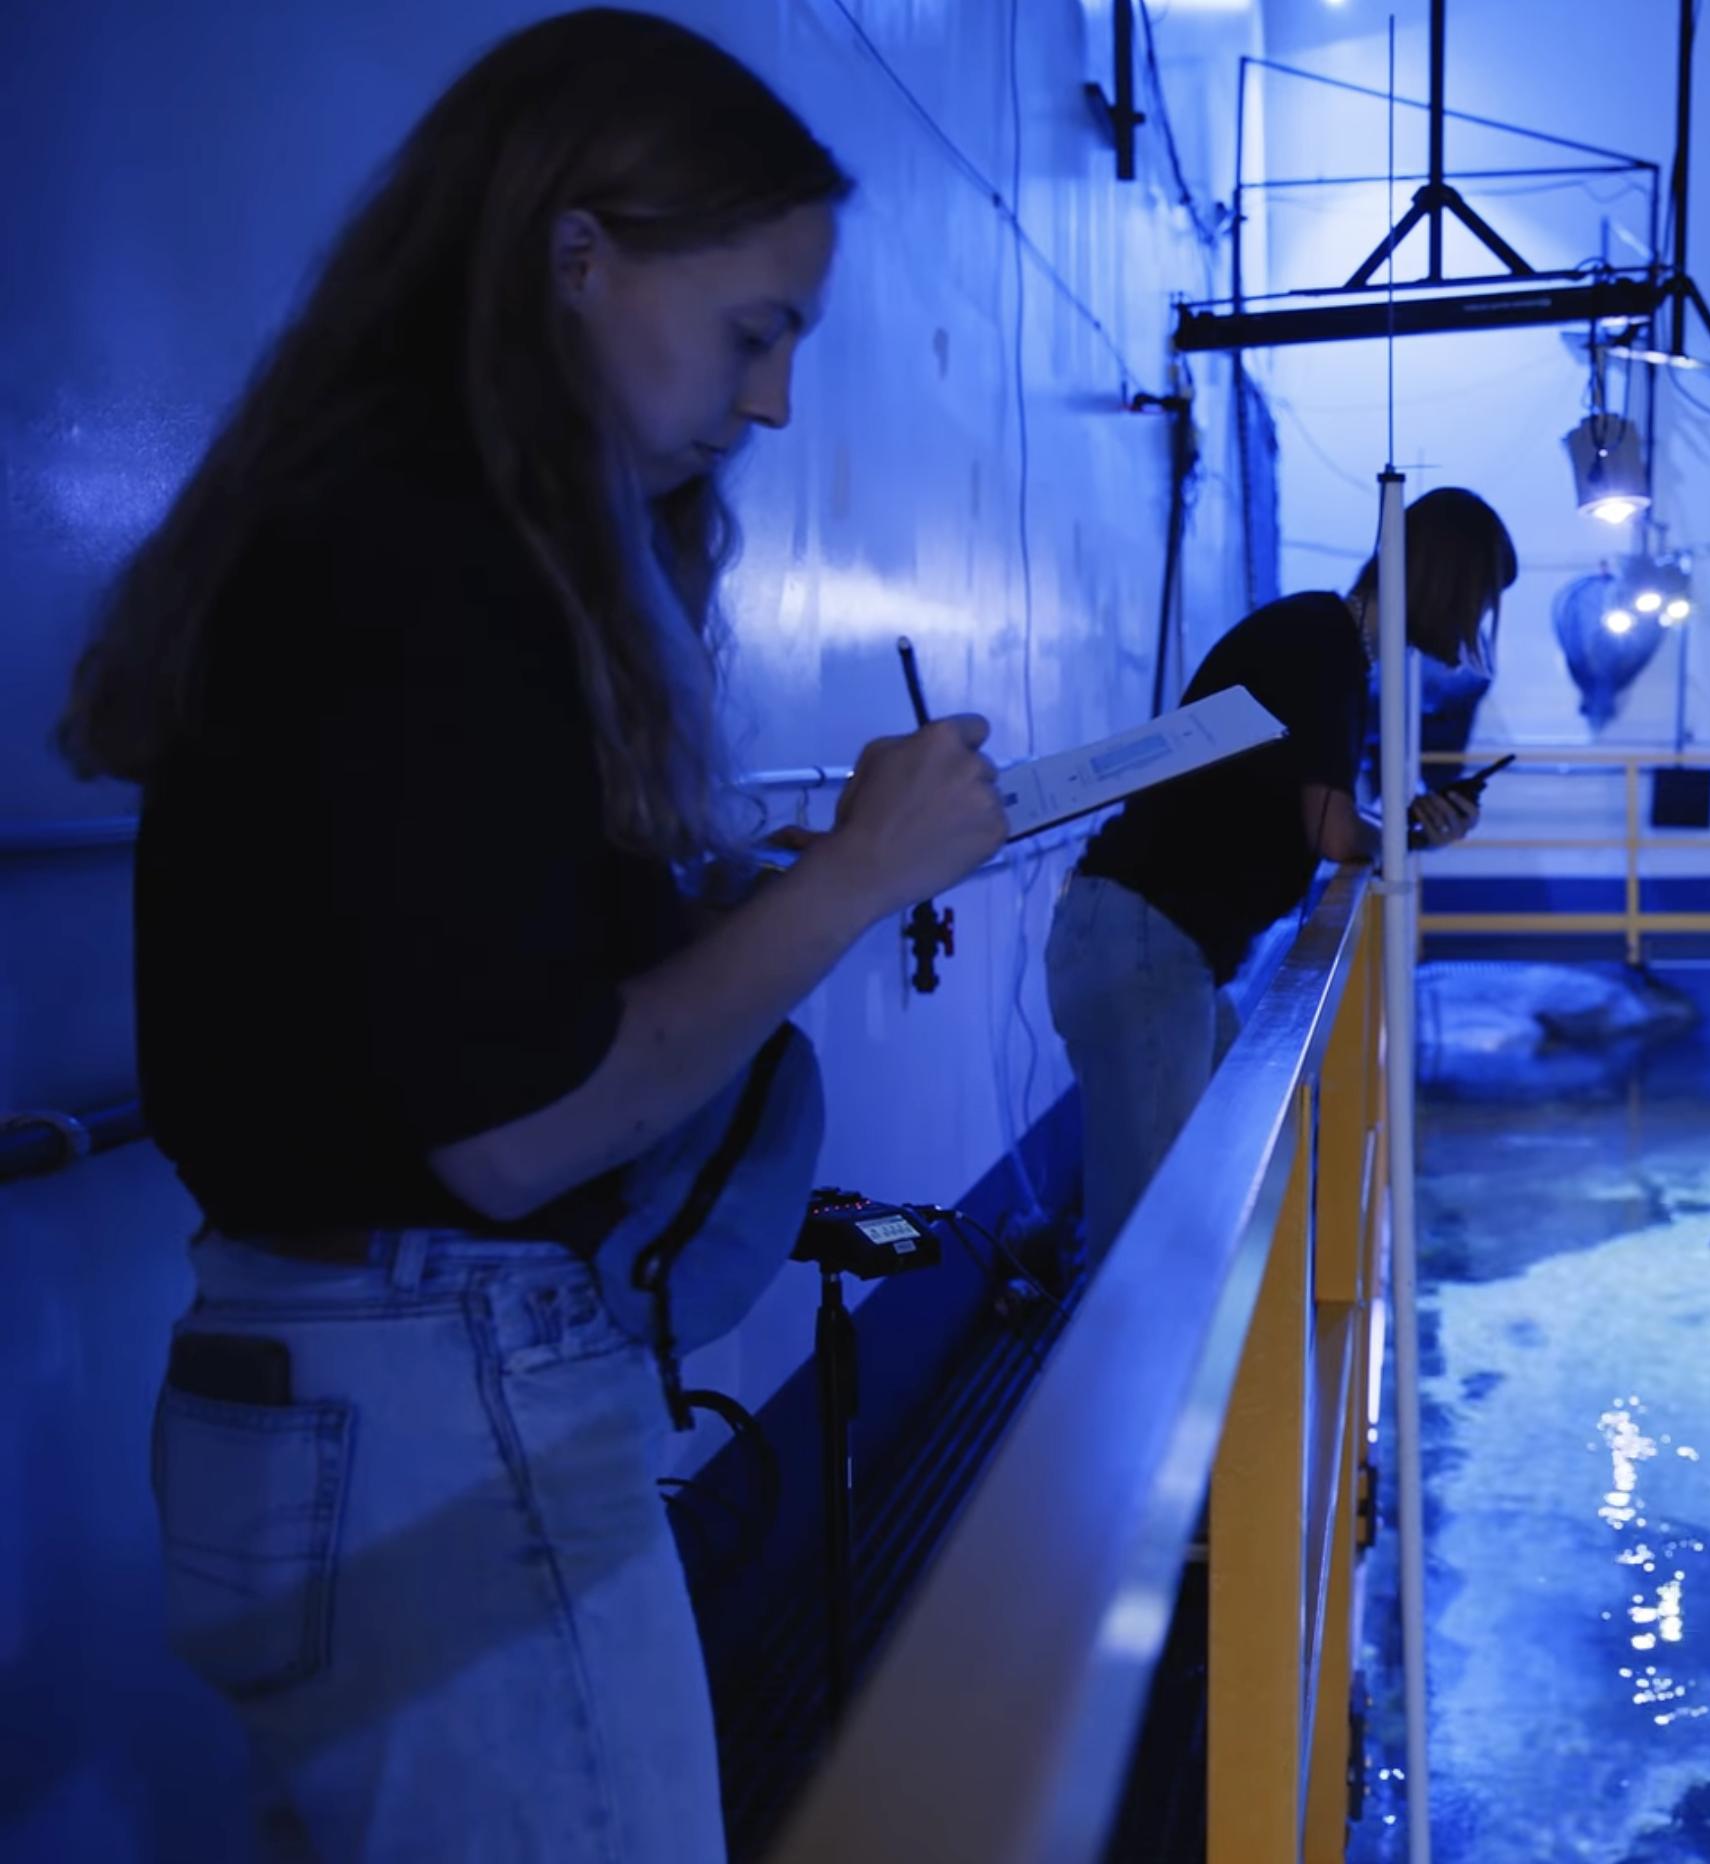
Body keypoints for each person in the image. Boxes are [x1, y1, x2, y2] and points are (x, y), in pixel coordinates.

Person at [54, 13, 1005, 1858]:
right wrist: (849, 882)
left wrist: (749, 899)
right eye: (759, 327)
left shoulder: (353, 535)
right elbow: (517, 1129)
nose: (776, 399)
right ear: (578, 256)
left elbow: (441, 998)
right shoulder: (435, 564)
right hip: (440, 1401)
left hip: (313, 1385)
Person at [1050, 489, 1517, 1248]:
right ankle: (1131, 1367)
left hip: (1153, 940)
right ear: (1447, 580)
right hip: (1141, 938)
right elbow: (1334, 831)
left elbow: (1324, 819)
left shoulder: (1328, 644)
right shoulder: (1320, 643)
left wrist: (1409, 833)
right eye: (1481, 597)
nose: (1477, 621)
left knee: (1208, 1187)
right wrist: (1409, 838)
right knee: (1151, 1231)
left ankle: (1204, 1361)